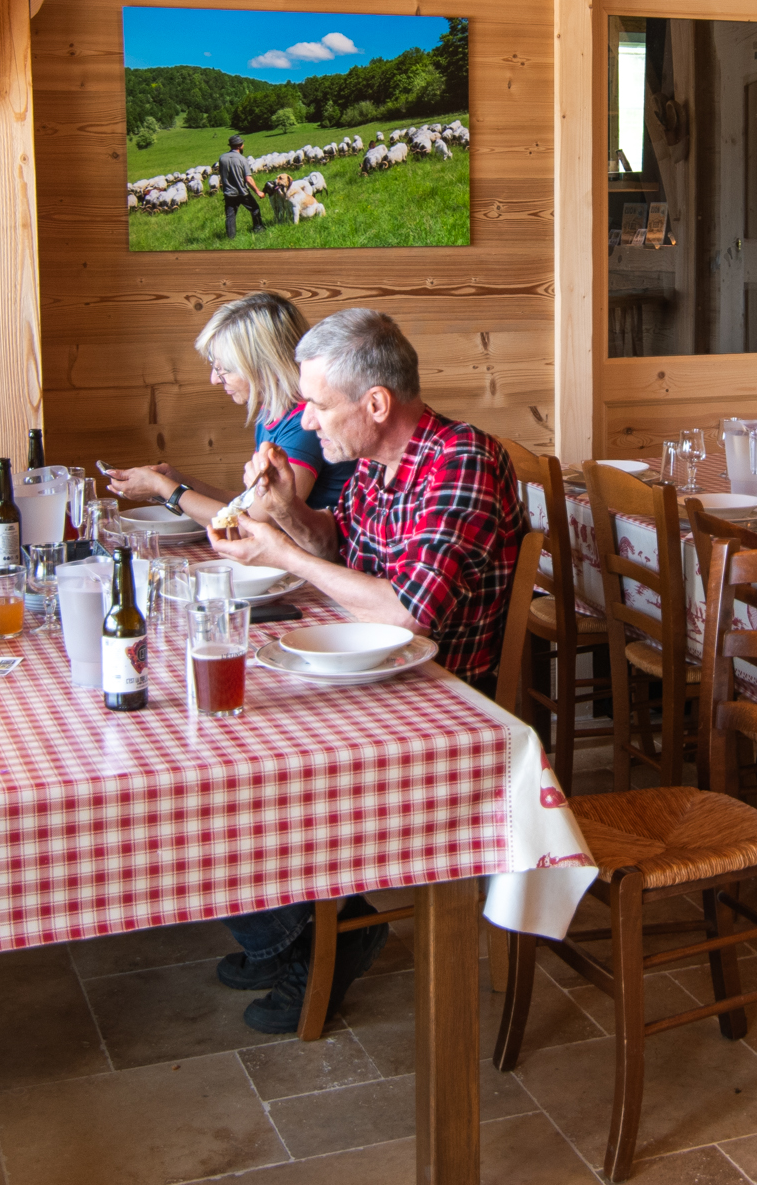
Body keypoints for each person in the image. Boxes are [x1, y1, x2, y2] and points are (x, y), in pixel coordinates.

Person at [204, 308, 526, 1033]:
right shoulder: (379, 464)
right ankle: (294, 928)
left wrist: (283, 556)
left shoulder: (460, 461)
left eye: (317, 405)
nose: (306, 422)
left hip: (444, 708)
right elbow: (336, 539)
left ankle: (316, 936)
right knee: (219, 733)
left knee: (241, 760)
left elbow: (410, 612)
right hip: (379, 678)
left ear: (374, 404)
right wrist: (288, 511)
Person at [102, 291, 356, 519]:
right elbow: (248, 505)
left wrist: (166, 489)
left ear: (266, 366)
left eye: (225, 369)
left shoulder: (305, 425)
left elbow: (253, 522)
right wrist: (180, 483)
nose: (215, 379)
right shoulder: (272, 412)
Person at [218, 134, 262, 237]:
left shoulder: (222, 158)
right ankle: (258, 229)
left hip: (228, 193)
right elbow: (248, 178)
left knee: (230, 216)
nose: (243, 146)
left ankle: (230, 238)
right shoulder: (242, 159)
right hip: (242, 192)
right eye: (242, 144)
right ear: (239, 146)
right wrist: (257, 191)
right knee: (255, 209)